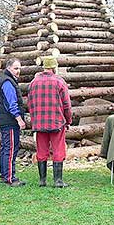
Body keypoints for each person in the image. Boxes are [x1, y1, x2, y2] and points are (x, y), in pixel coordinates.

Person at [27, 57, 72, 188]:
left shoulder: (34, 82)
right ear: (54, 67)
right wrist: (68, 120)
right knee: (58, 150)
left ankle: (42, 180)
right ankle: (58, 181)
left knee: (41, 151)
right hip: (56, 122)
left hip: (39, 124)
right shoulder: (59, 81)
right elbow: (66, 105)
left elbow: (29, 104)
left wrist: (35, 120)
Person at [0, 58, 26, 187]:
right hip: (9, 120)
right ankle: (10, 178)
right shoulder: (7, 82)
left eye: (19, 68)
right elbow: (11, 103)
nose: (18, 71)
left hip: (4, 120)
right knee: (11, 148)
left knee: (5, 148)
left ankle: (4, 174)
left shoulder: (5, 79)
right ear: (9, 68)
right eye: (16, 68)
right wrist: (19, 119)